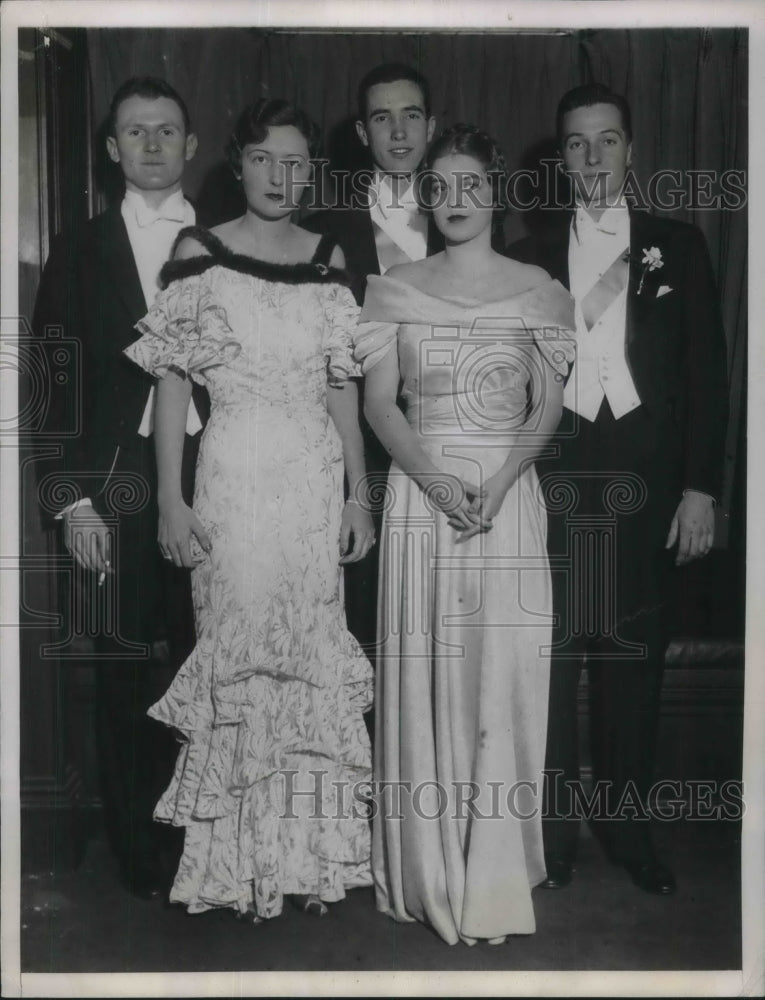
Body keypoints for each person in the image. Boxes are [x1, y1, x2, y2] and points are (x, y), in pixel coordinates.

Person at [123, 98, 375, 922]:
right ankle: (234, 864)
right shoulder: (201, 251)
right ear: (238, 163)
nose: (281, 176)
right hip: (229, 478)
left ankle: (306, 862)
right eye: (266, 159)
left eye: (296, 162)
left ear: (312, 171)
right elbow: (170, 386)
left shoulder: (331, 255)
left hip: (309, 484)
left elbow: (343, 387)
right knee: (235, 659)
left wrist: (357, 494)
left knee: (306, 658)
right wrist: (170, 497)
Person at [355, 124, 575, 945]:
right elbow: (380, 404)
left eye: (469, 186)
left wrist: (500, 477)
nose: (453, 200)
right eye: (439, 187)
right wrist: (438, 481)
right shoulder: (392, 288)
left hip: (506, 497)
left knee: (502, 682)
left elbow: (545, 407)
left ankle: (495, 870)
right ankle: (430, 867)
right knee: (429, 675)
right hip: (424, 496)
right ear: (425, 196)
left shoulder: (539, 289)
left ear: (495, 192)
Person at [510, 84, 729, 895]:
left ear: (630, 150)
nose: (592, 158)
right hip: (555, 485)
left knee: (631, 663)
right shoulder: (526, 252)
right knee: (554, 660)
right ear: (559, 158)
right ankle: (552, 833)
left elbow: (710, 376)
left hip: (649, 488)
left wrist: (701, 488)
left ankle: (628, 828)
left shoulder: (678, 244)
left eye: (607, 141)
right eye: (576, 144)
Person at [32, 76, 206, 900]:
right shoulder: (79, 247)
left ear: (192, 146)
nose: (151, 144)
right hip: (115, 487)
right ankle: (143, 850)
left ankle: (215, 837)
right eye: (135, 132)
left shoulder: (230, 240)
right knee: (129, 664)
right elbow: (51, 380)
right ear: (112, 149)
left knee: (214, 658)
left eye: (166, 130)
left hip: (221, 476)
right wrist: (73, 501)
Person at [303, 62, 444, 654]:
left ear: (431, 126)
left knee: (437, 623)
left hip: (446, 441)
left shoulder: (467, 216)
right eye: (381, 118)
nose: (398, 131)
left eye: (411, 115)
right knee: (361, 621)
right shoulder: (322, 230)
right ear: (362, 134)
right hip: (355, 450)